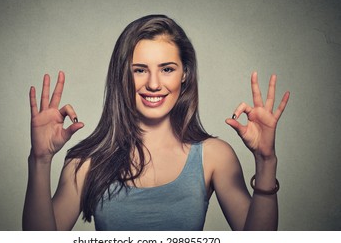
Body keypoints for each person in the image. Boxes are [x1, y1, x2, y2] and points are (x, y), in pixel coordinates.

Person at [22, 15, 290, 231]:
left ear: (184, 73)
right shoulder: (88, 162)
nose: (153, 83)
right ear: (122, 76)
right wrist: (40, 159)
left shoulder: (214, 156)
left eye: (167, 69)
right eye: (139, 70)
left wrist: (266, 161)